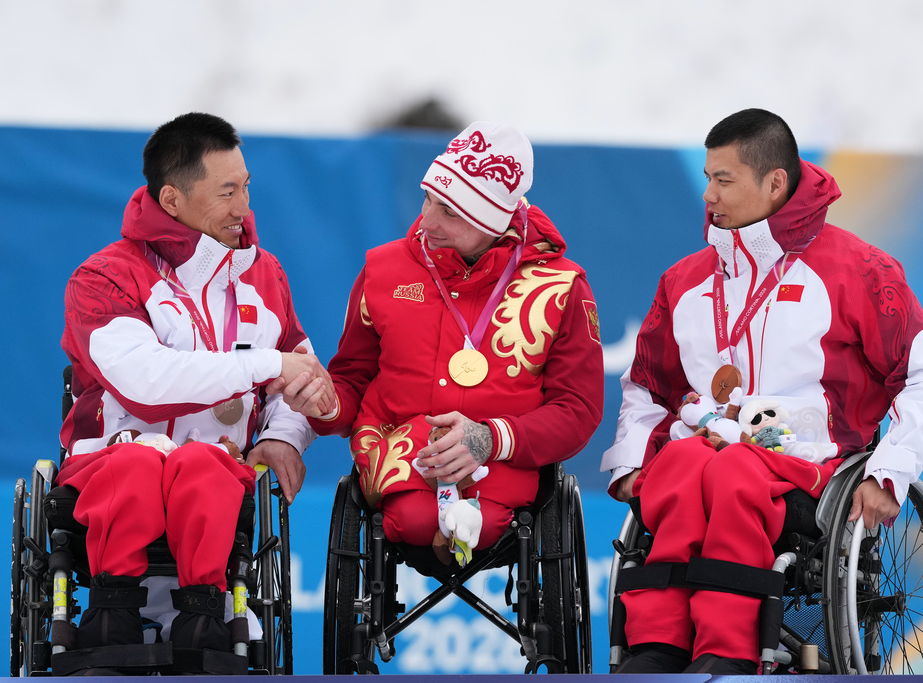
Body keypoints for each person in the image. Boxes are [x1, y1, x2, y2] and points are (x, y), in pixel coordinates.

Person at [600, 108, 923, 675]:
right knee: (676, 464)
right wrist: (632, 459)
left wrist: (888, 472)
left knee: (734, 475)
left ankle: (727, 646)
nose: (708, 195)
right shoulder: (684, 281)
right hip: (708, 446)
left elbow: (918, 372)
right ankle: (658, 643)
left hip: (809, 462)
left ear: (775, 182)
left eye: (724, 180)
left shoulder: (861, 270)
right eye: (705, 177)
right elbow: (647, 384)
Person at [55, 112, 334, 664]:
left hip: (216, 471)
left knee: (206, 466)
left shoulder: (265, 275)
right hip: (114, 466)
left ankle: (204, 618)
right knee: (134, 465)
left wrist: (285, 433)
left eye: (247, 186)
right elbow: (145, 382)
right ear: (172, 199)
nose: (245, 208)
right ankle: (112, 614)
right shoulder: (105, 278)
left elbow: (302, 376)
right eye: (227, 192)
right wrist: (261, 367)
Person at [275, 121, 603, 565]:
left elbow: (577, 410)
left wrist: (490, 439)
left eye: (450, 212)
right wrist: (325, 404)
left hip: (503, 465)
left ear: (494, 220)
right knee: (413, 517)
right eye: (429, 198)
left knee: (472, 520)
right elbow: (353, 379)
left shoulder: (562, 287)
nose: (426, 220)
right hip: (397, 457)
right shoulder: (382, 272)